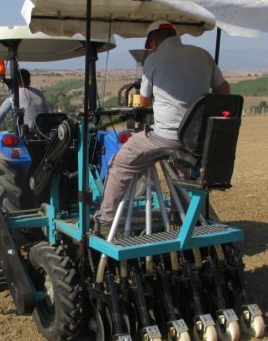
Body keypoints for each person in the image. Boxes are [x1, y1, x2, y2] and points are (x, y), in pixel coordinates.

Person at [94, 20, 230, 233]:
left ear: (154, 40)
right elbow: (223, 90)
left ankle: (105, 219)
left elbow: (145, 101)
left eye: (150, 45)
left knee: (120, 164)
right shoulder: (203, 55)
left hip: (165, 137)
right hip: (196, 139)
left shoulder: (154, 60)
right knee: (183, 171)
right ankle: (184, 217)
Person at [0, 69, 50, 133]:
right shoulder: (39, 93)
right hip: (46, 134)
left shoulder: (14, 96)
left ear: (15, 82)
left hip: (28, 135)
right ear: (29, 81)